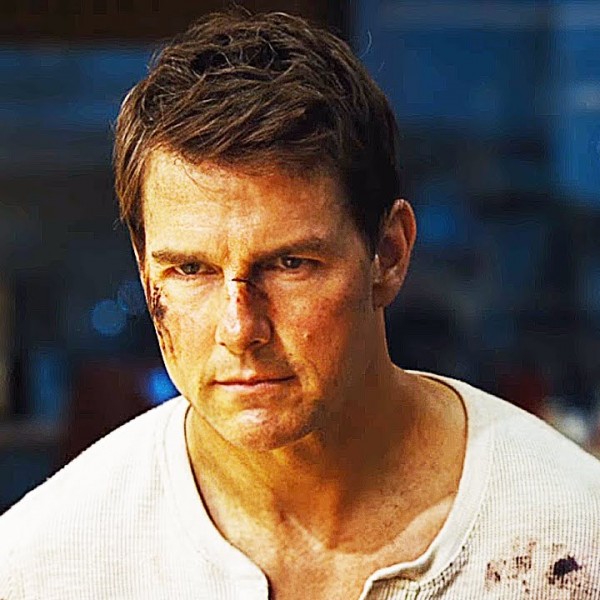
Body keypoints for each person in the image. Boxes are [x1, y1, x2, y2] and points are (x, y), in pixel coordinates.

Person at [1, 10, 600, 600]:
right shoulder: (45, 565)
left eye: (290, 264)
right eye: (191, 269)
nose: (240, 328)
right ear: (144, 268)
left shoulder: (574, 534)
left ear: (389, 254)